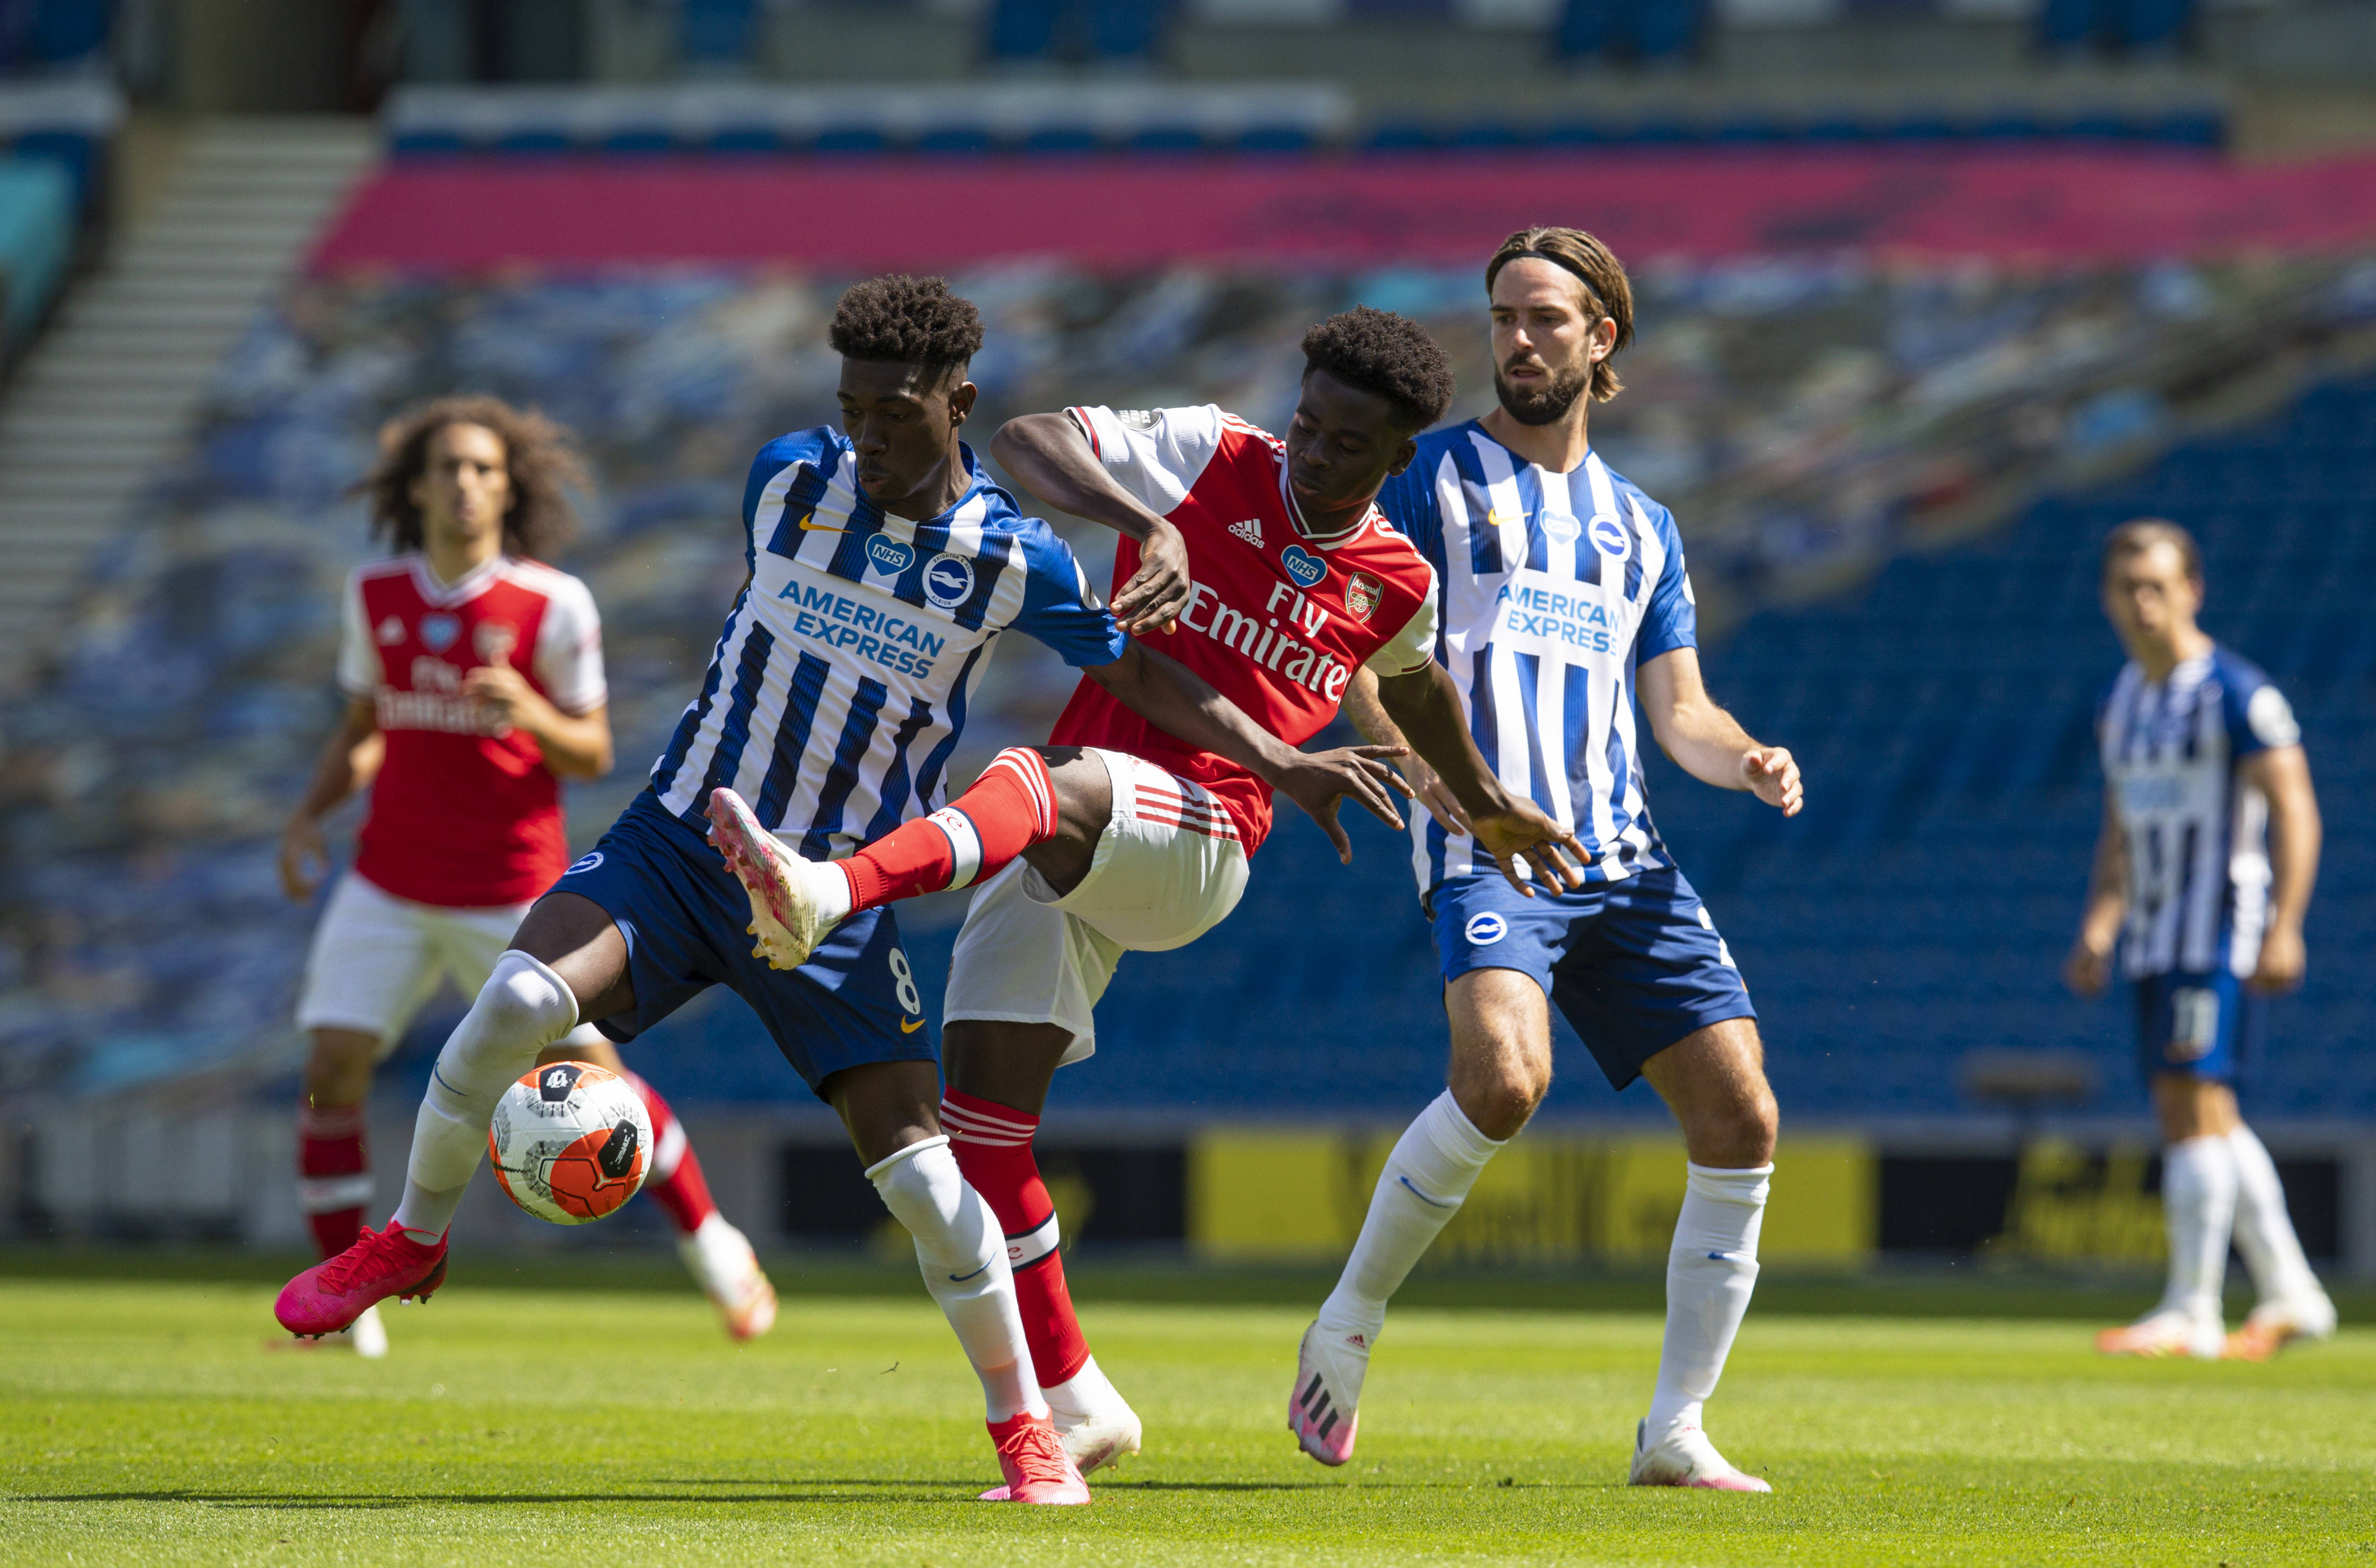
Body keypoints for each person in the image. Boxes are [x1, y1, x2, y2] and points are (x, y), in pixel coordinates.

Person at [274, 276, 1409, 1505]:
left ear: (955, 402)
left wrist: (1282, 759)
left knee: (928, 1182)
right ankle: (413, 1238)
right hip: (676, 843)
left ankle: (1026, 1428)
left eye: (893, 415)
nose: (863, 438)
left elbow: (1144, 677)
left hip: (831, 896)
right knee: (509, 1005)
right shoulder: (786, 478)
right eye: (851, 409)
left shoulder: (1008, 557)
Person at [710, 306, 1583, 1475]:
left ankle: (831, 892)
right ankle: (1076, 1401)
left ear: (1394, 458)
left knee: (1037, 776)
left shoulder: (1393, 577)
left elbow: (1413, 685)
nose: (1308, 454)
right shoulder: (1212, 455)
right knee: (981, 1134)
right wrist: (1141, 524)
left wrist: (1481, 801)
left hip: (1200, 837)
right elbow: (1022, 438)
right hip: (1067, 838)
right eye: (1304, 424)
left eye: (1341, 445)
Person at [1293, 227, 1803, 1492]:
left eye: (1544, 320)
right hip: (1486, 841)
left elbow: (1678, 708)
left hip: (1621, 857)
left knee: (1741, 1112)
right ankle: (1346, 1321)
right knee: (1505, 1081)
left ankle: (1675, 1430)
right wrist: (1425, 773)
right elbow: (1355, 652)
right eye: (1503, 319)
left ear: (1600, 338)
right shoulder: (1427, 479)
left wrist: (1743, 755)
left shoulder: (1641, 526)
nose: (1517, 341)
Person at [280, 396, 773, 1358]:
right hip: (387, 881)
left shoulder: (553, 602)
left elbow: (590, 753)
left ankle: (717, 1248)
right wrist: (310, 814)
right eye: (449, 468)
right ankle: (348, 1313)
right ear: (415, 485)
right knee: (330, 1069)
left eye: (484, 470)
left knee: (598, 1081)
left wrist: (527, 714)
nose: (466, 485)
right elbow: (364, 729)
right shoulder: (375, 594)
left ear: (510, 488)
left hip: (512, 887)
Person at [2066, 519, 2334, 1362]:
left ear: (2192, 590)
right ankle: (2293, 1293)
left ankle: (2192, 1306)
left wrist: (2284, 925)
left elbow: (2293, 807)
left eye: (2157, 585)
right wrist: (2100, 921)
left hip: (2216, 928)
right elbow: (2119, 822)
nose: (2142, 603)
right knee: (2204, 1110)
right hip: (2151, 933)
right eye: (2126, 588)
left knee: (2188, 1104)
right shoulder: (2123, 700)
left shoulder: (2233, 691)